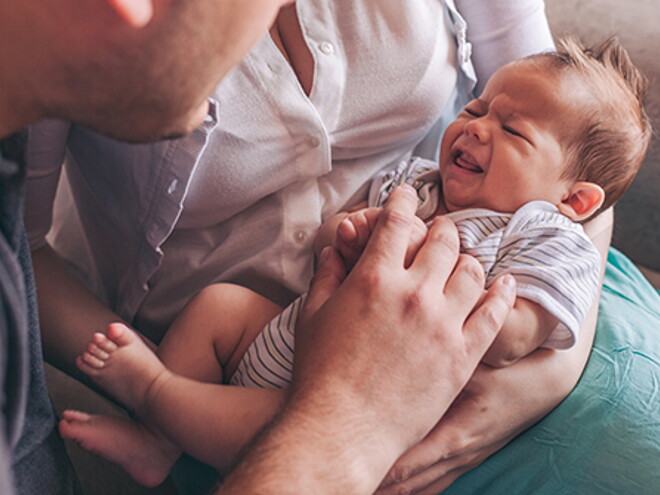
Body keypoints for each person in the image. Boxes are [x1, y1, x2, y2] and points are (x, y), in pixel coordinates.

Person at [24, 1, 613, 493]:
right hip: (276, 325)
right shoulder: (420, 187)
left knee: (278, 418)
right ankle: (159, 424)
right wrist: (356, 233)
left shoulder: (540, 224)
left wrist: (521, 391)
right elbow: (21, 243)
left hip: (426, 366)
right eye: (476, 107)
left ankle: (162, 410)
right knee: (220, 311)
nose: (479, 124)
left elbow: (577, 170)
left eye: (509, 129)